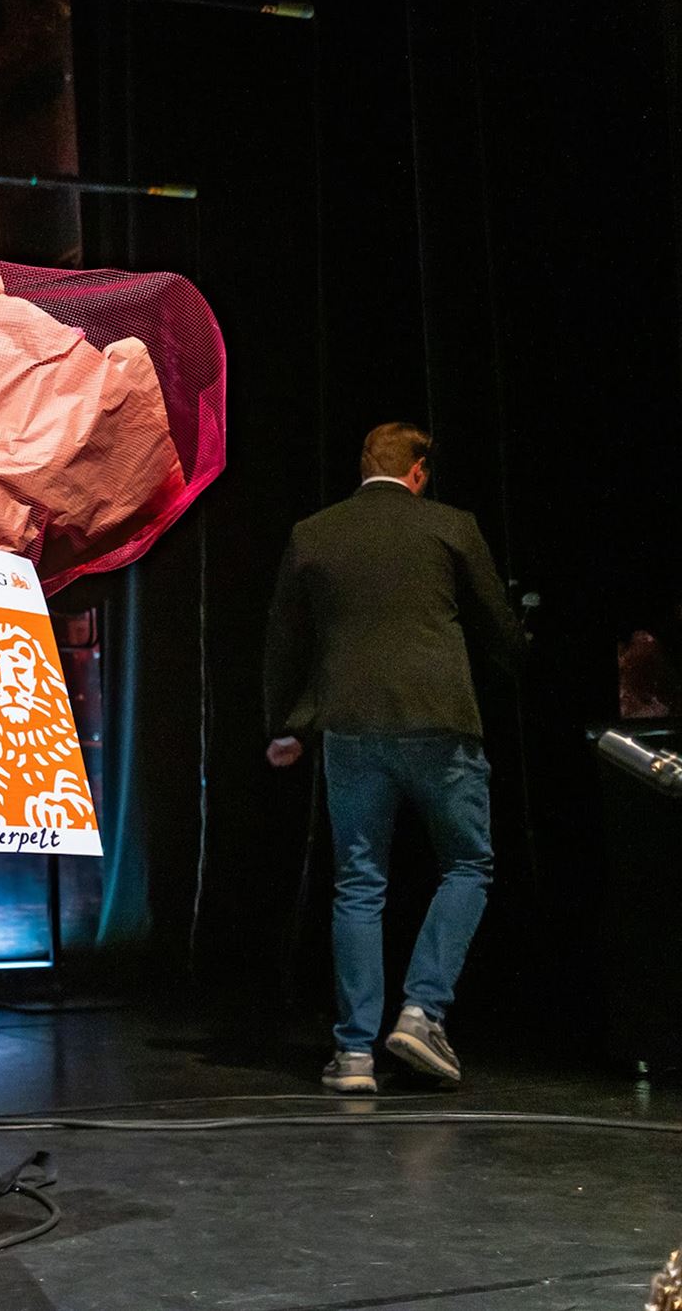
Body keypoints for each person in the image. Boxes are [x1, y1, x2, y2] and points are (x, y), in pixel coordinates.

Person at [263, 422, 524, 1093]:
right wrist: (525, 659)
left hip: (351, 729)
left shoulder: (313, 533)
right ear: (418, 471)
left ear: (364, 467)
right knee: (467, 865)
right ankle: (422, 1012)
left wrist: (287, 727)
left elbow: (285, 641)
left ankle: (354, 1055)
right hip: (440, 723)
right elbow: (496, 625)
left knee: (359, 884)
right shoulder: (451, 526)